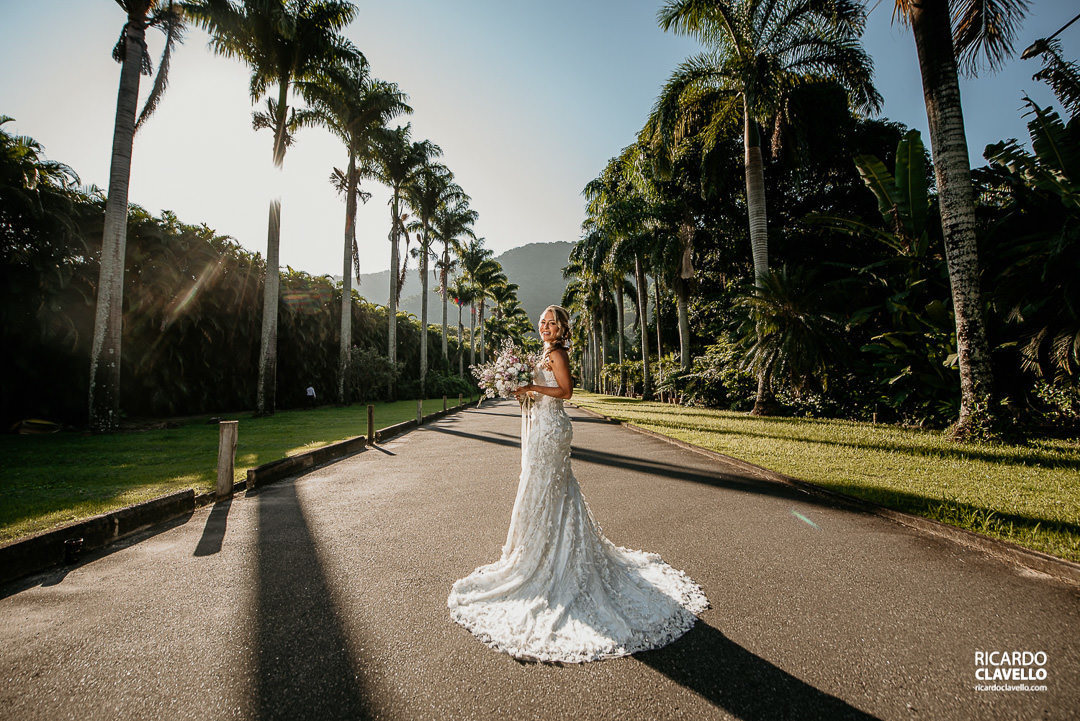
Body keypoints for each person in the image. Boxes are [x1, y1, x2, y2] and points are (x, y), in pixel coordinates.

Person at [447, 305, 709, 663]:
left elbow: (567, 392)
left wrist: (530, 385)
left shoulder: (557, 352)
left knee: (548, 487)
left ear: (561, 329)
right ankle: (537, 552)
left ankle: (552, 561)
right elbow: (544, 390)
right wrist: (524, 391)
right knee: (546, 489)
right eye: (542, 322)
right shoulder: (542, 353)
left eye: (551, 323)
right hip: (541, 424)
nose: (546, 327)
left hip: (553, 429)